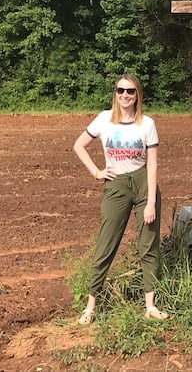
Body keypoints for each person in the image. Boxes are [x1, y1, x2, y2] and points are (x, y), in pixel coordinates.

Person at [73, 73, 168, 325]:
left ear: (138, 95)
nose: (125, 95)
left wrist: (149, 202)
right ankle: (91, 306)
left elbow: (152, 164)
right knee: (105, 244)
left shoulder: (147, 124)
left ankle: (150, 306)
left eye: (130, 91)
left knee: (148, 245)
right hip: (115, 185)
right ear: (115, 93)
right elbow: (78, 145)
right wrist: (96, 172)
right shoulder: (105, 119)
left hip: (143, 184)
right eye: (120, 91)